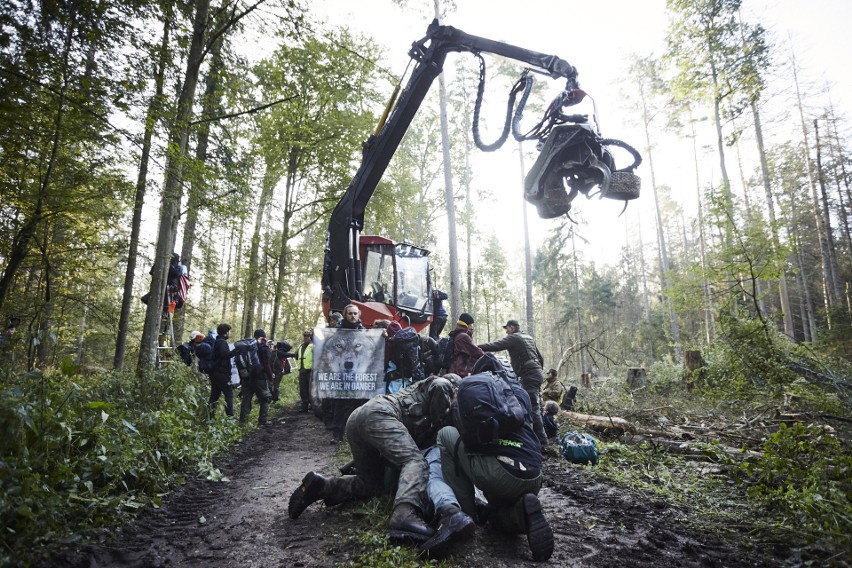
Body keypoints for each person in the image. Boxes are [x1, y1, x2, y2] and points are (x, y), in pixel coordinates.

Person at [288, 376, 456, 543]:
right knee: (416, 462)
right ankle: (404, 514)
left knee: (370, 484)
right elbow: (441, 385)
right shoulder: (441, 385)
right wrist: (443, 418)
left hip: (360, 418)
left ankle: (323, 486)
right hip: (379, 415)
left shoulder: (418, 397)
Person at [432, 355, 554, 561]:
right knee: (496, 514)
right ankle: (523, 512)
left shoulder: (470, 391)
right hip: (533, 475)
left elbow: (463, 433)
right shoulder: (519, 393)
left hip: (498, 474)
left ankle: (467, 513)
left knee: (446, 435)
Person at [478, 319, 548, 445]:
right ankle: (538, 439)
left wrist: (476, 347)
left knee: (530, 407)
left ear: (512, 328)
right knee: (531, 406)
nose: (506, 332)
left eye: (507, 329)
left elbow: (495, 345)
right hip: (535, 373)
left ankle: (538, 441)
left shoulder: (514, 338)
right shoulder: (528, 337)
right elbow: (540, 358)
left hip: (529, 374)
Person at [328, 304, 368, 443]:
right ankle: (337, 434)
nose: (353, 316)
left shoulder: (364, 332)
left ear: (359, 315)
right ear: (345, 314)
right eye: (350, 313)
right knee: (339, 404)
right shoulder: (338, 332)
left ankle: (357, 435)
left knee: (358, 404)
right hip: (341, 374)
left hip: (357, 375)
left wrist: (381, 336)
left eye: (355, 313)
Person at [239, 329, 274, 426]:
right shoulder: (263, 346)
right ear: (263, 336)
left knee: (246, 399)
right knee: (265, 398)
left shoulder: (247, 346)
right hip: (259, 377)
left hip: (247, 377)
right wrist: (270, 377)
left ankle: (242, 423)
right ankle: (262, 421)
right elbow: (266, 364)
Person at [208, 323, 235, 418]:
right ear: (226, 332)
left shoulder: (217, 341)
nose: (229, 333)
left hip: (215, 373)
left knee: (214, 396)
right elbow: (225, 355)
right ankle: (230, 417)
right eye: (229, 332)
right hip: (221, 373)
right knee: (229, 394)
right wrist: (236, 351)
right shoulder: (222, 342)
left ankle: (210, 417)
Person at [448, 312, 483, 378]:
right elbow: (476, 352)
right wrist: (489, 358)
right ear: (467, 324)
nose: (472, 327)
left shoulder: (457, 334)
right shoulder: (463, 336)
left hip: (454, 371)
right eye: (471, 324)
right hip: (458, 372)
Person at [296, 329, 313, 412]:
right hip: (302, 371)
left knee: (311, 389)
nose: (306, 338)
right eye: (305, 336)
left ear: (310, 337)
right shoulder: (300, 346)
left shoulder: (313, 346)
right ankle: (304, 406)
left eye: (308, 336)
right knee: (303, 389)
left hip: (311, 371)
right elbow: (296, 355)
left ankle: (313, 406)